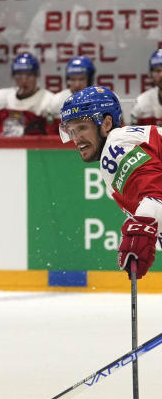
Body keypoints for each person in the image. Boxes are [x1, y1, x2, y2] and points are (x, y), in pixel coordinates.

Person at [59, 86, 162, 281]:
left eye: (82, 127)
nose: (76, 139)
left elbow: (155, 192)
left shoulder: (116, 146)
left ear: (106, 124)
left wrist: (142, 224)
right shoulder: (129, 139)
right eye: (71, 131)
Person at [0, 52, 53, 136]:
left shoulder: (47, 100)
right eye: (19, 75)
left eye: (29, 75)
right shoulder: (1, 98)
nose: (24, 81)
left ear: (36, 76)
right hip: (4, 147)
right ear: (13, 76)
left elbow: (52, 138)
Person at [45, 56, 96, 135]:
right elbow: (50, 136)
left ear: (90, 80)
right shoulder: (57, 100)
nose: (77, 84)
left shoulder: (104, 99)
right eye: (72, 79)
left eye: (82, 79)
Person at [130, 50, 162, 127]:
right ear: (150, 74)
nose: (161, 75)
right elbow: (134, 136)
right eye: (157, 71)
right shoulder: (141, 103)